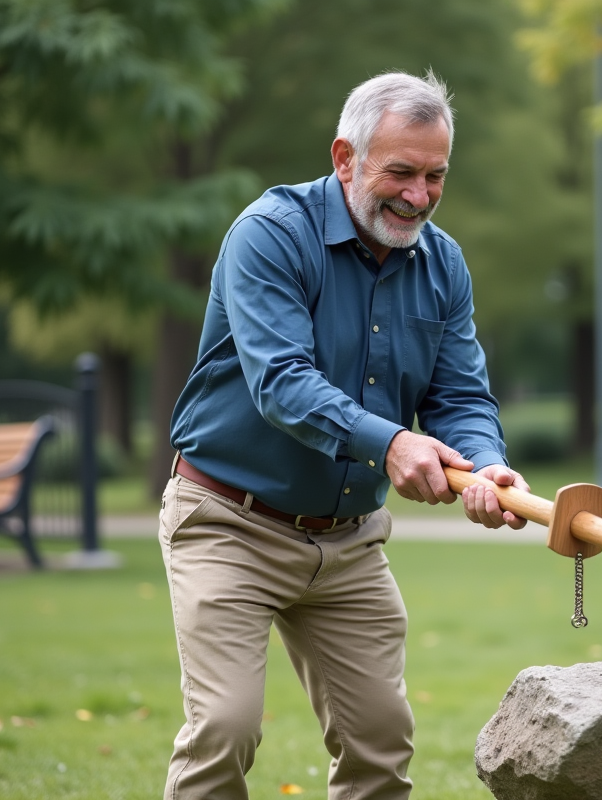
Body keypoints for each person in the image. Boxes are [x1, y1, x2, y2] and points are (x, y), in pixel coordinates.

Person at [157, 70, 528, 800]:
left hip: (348, 542)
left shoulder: (443, 262)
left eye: (435, 176)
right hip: (231, 521)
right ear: (344, 158)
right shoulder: (269, 235)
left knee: (381, 744)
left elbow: (458, 395)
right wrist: (392, 443)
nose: (418, 196)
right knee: (226, 729)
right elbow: (282, 382)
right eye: (401, 172)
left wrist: (487, 465)